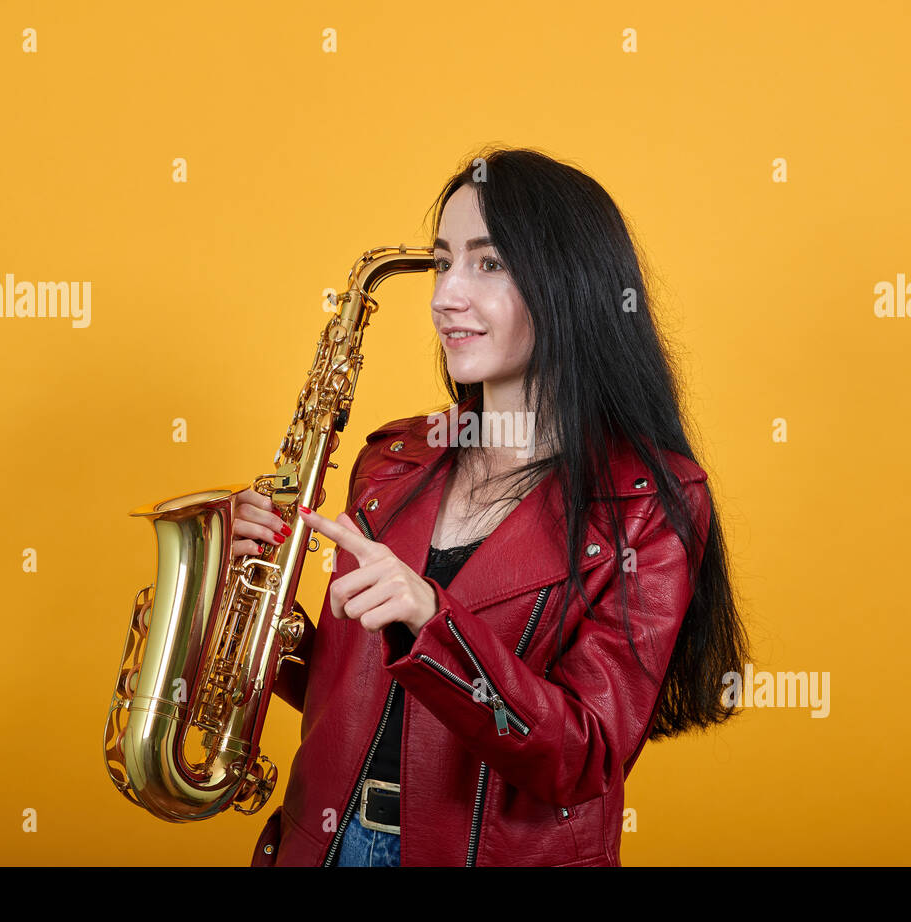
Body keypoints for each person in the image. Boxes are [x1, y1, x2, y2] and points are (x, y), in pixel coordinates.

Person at [231, 146, 749, 867]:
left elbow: (580, 757)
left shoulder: (649, 504)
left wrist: (429, 619)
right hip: (325, 845)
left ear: (570, 286)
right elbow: (350, 691)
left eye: (489, 263)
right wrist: (251, 609)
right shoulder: (395, 460)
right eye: (442, 262)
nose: (446, 295)